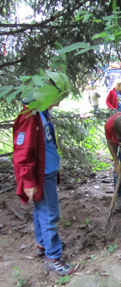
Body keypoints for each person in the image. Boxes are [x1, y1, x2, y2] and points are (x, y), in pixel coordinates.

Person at [13, 96, 73, 276]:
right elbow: (22, 151)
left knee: (41, 209)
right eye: (57, 97)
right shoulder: (29, 115)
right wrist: (29, 181)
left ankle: (43, 243)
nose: (59, 102)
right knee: (50, 213)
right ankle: (53, 257)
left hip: (47, 171)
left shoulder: (42, 112)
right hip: (42, 174)